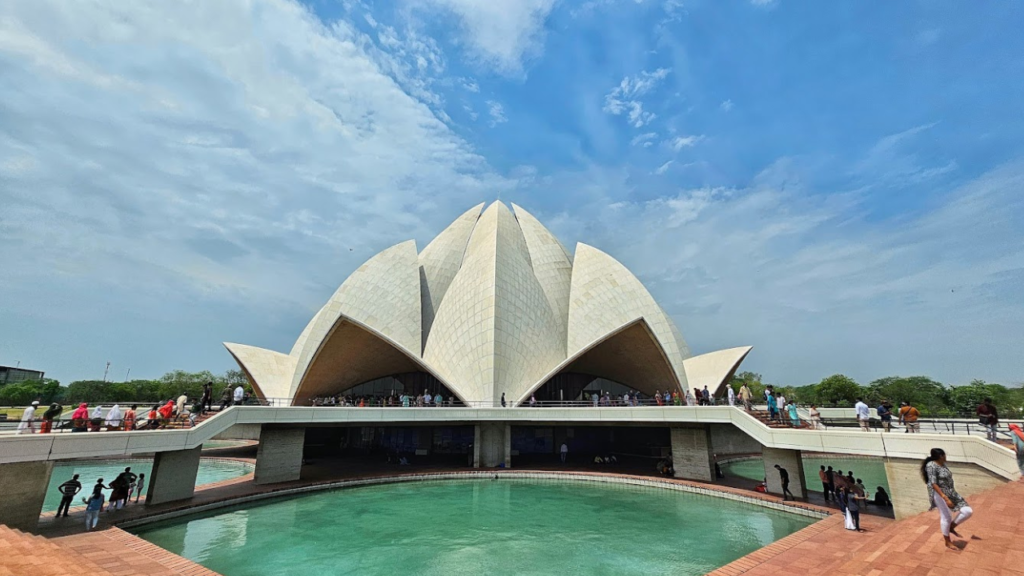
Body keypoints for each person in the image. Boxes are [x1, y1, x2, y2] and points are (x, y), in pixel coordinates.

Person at [923, 448, 973, 550]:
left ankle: (951, 527)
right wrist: (945, 498)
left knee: (967, 511)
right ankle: (947, 541)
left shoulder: (942, 464)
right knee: (946, 517)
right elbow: (933, 483)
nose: (946, 456)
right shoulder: (931, 466)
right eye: (945, 455)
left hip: (951, 492)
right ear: (941, 456)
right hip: (940, 494)